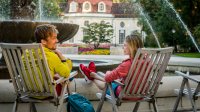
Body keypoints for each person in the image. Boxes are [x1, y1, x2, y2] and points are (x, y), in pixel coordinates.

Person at [79, 33, 144, 97]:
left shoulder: (127, 64)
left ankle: (91, 77)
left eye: (125, 45)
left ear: (131, 47)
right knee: (116, 80)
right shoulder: (148, 61)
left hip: (125, 94)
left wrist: (108, 72)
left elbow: (108, 78)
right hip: (142, 93)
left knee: (108, 83)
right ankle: (92, 75)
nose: (122, 48)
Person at [34, 24, 72, 96]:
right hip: (46, 93)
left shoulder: (26, 52)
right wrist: (61, 55)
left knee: (57, 74)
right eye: (54, 38)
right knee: (69, 77)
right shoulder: (50, 56)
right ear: (43, 41)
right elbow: (67, 73)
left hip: (29, 92)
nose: (57, 40)